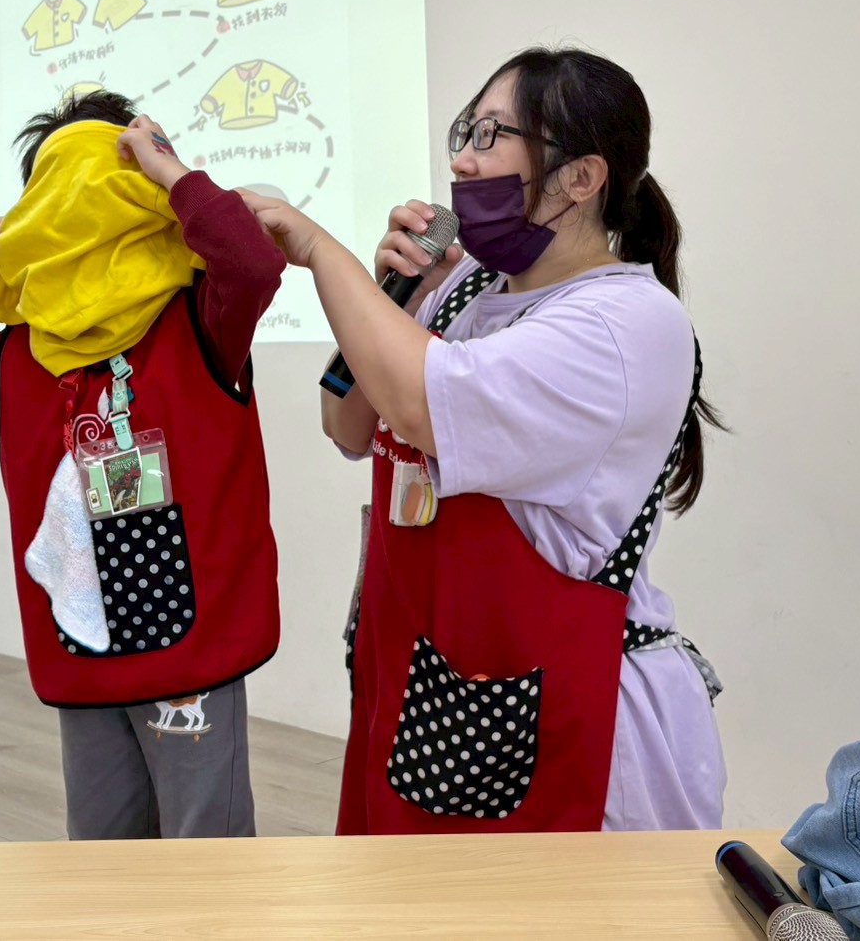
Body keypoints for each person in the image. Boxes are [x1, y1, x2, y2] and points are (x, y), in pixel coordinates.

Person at [244, 48, 726, 833]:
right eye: (464, 132)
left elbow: (421, 406)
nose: (462, 161)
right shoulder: (464, 286)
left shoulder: (626, 320)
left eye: (491, 134)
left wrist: (318, 252)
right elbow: (347, 423)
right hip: (435, 689)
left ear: (580, 177)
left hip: (571, 719)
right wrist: (393, 300)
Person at [0, 91, 285, 839]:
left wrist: (171, 175)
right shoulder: (18, 355)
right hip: (84, 649)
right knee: (100, 849)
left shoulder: (196, 318)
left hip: (191, 654)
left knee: (209, 853)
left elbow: (253, 263)